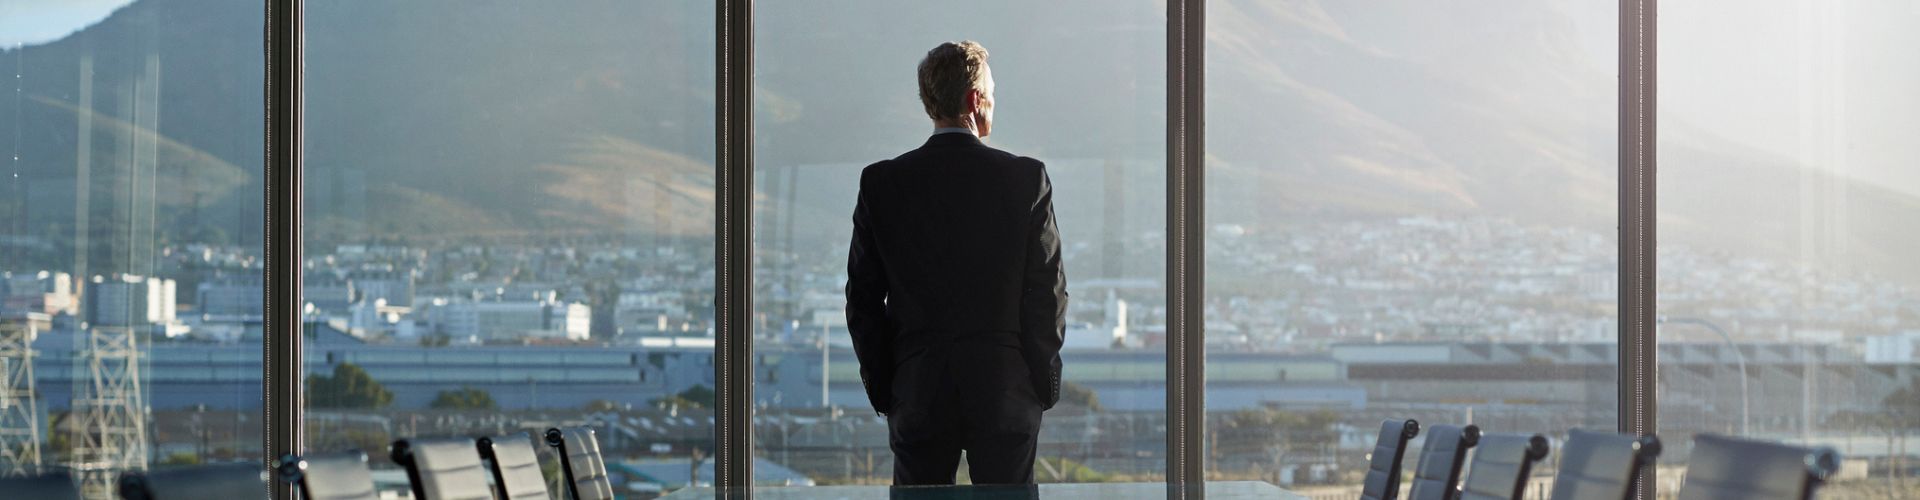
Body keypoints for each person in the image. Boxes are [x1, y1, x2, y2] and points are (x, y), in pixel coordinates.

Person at [844, 40, 1068, 486]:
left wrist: (891, 388)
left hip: (918, 389)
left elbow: (862, 301)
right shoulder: (1025, 180)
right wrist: (1039, 387)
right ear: (974, 100)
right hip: (1005, 389)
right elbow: (1047, 293)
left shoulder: (882, 183)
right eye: (992, 94)